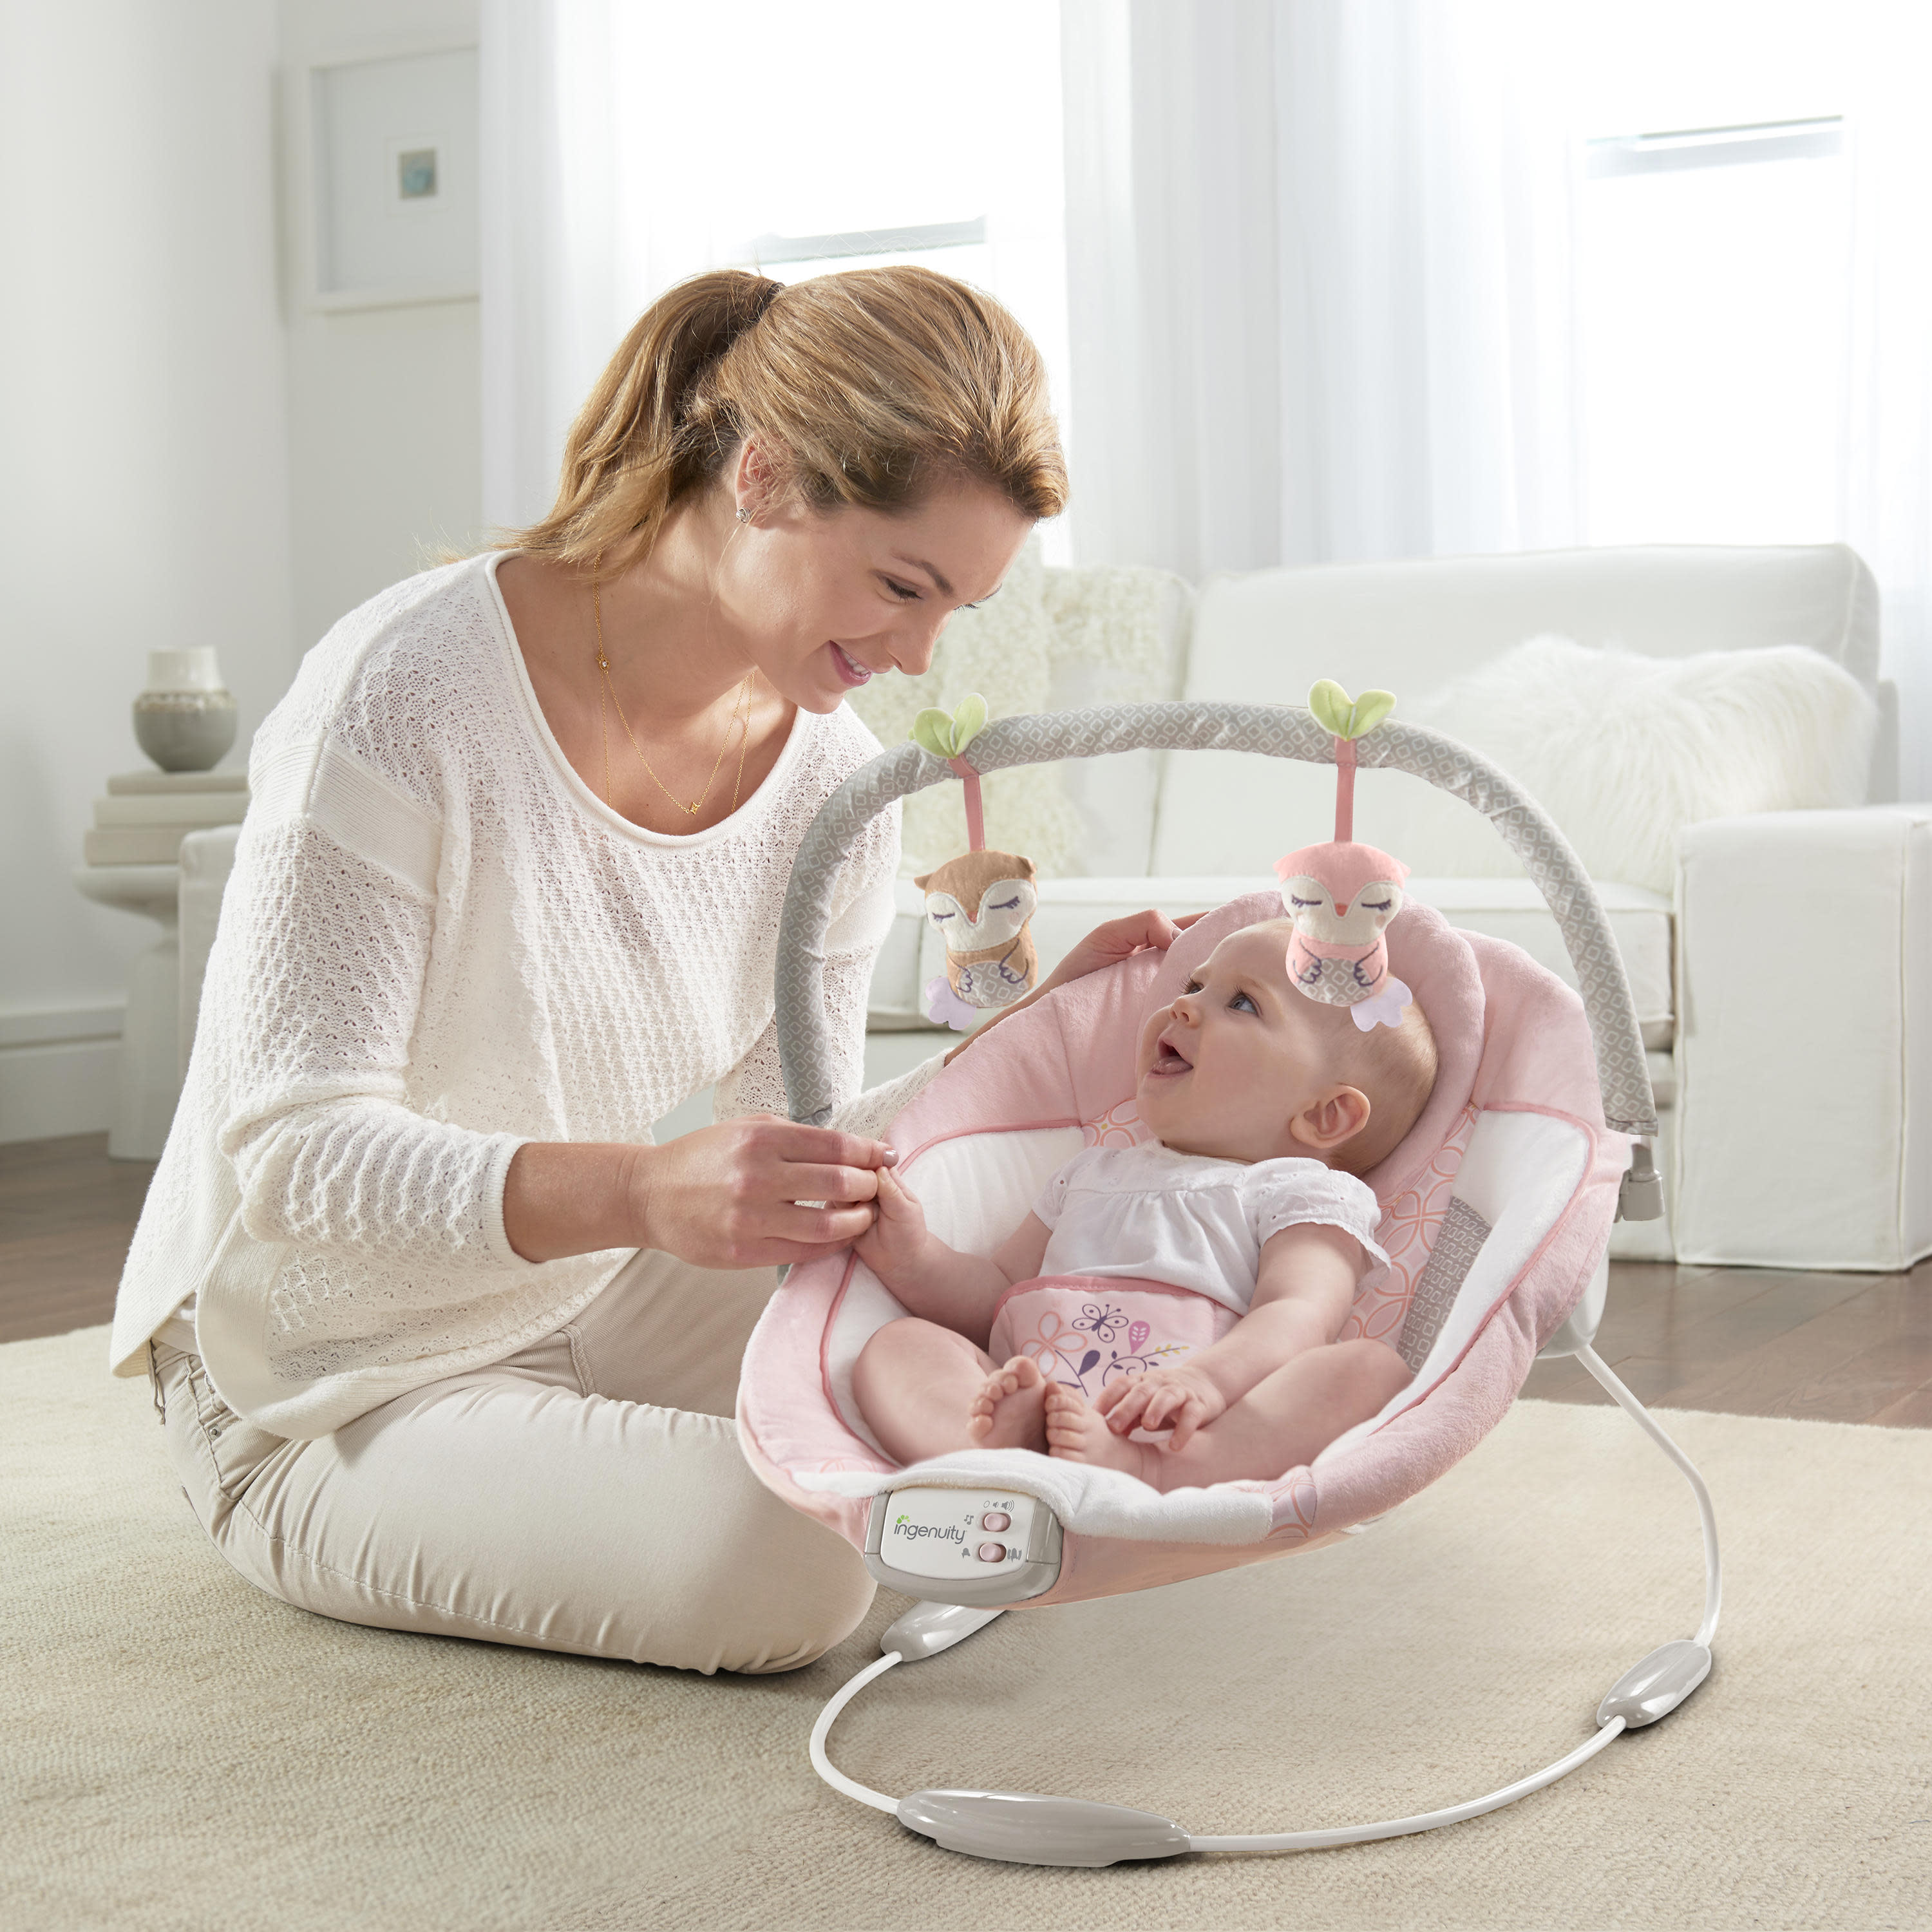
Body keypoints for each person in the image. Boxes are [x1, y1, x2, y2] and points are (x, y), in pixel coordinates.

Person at [109, 265, 1187, 1674]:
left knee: (1038, 1315)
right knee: (791, 1564)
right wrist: (638, 1191)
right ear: (765, 474)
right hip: (319, 1375)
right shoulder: (407, 693)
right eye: (900, 586)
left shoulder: (836, 784)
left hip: (594, 1288)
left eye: (957, 611)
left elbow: (799, 1157)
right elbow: (296, 1158)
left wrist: (1044, 1038)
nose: (918, 654)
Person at [849, 917, 1436, 1485]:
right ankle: (991, 1449)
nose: (1183, 1006)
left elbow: (1299, 1311)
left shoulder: (1301, 1190)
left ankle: (1153, 1467)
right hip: (1033, 1382)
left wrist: (1206, 1382)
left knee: (1370, 1372)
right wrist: (914, 1258)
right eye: (1195, 986)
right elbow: (997, 1293)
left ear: (1324, 1115)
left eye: (1243, 1004)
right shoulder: (1093, 1170)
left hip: (1184, 1418)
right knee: (901, 1345)